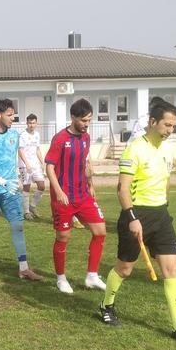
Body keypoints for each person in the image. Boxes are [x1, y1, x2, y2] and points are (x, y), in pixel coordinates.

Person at [100, 100, 176, 344]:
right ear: (152, 122)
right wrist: (132, 218)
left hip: (161, 216)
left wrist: (164, 206)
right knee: (125, 268)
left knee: (171, 268)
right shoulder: (134, 149)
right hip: (136, 215)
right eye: (167, 124)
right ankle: (106, 306)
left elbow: (165, 180)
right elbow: (122, 189)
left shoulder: (167, 149)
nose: (170, 130)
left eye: (174, 126)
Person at [0, 98, 42, 280]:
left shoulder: (14, 135)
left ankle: (23, 267)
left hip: (10, 190)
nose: (13, 118)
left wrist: (16, 177)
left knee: (18, 226)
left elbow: (13, 158)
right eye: (10, 115)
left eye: (13, 114)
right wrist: (3, 181)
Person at [45, 99, 107, 294]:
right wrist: (59, 191)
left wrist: (91, 185)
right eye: (83, 120)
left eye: (89, 120)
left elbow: (84, 163)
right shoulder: (60, 138)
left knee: (100, 231)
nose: (86, 124)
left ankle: (92, 276)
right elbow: (49, 167)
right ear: (73, 117)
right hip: (64, 197)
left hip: (83, 195)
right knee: (63, 236)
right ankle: (61, 278)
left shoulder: (86, 137)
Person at [18, 113, 46, 220]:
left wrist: (42, 162)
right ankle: (26, 212)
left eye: (33, 123)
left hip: (35, 165)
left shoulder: (37, 134)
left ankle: (32, 206)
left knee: (41, 186)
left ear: (36, 123)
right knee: (26, 187)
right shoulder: (22, 135)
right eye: (30, 123)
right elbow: (20, 150)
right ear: (27, 123)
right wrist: (27, 164)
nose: (31, 125)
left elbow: (37, 149)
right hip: (25, 166)